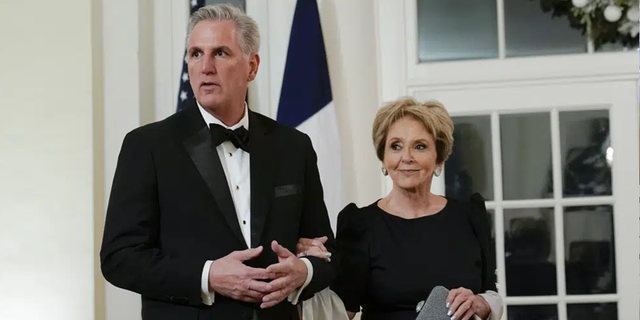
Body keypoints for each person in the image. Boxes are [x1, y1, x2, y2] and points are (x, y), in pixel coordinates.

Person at [100, 4, 337, 320]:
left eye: (220, 53)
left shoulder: (294, 146)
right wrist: (208, 276)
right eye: (196, 54)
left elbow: (323, 249)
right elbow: (119, 258)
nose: (205, 66)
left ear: (251, 67)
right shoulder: (147, 146)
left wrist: (304, 272)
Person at [297, 98, 504, 320]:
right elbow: (340, 312)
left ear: (439, 160)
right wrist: (306, 271)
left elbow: (490, 293)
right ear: (384, 160)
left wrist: (480, 303)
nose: (406, 157)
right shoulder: (360, 224)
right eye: (395, 146)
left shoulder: (469, 217)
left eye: (420, 146)